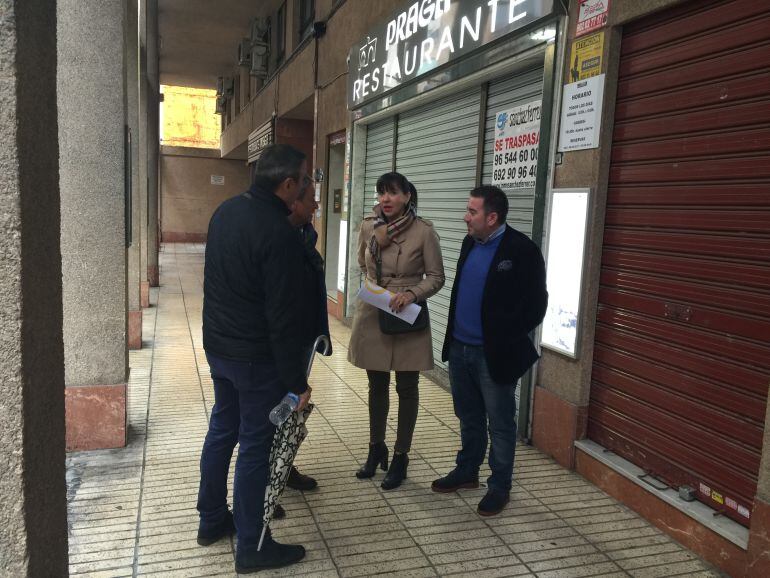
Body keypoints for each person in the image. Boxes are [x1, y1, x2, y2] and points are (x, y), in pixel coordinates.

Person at [196, 144, 316, 573]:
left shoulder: (225, 212)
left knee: (222, 429)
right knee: (255, 447)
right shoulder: (277, 232)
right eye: (305, 180)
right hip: (255, 360)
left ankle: (211, 519)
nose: (308, 186)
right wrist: (295, 384)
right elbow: (282, 320)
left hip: (220, 349)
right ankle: (253, 546)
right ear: (287, 185)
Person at [432, 185, 547, 516]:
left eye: (472, 211)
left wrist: (506, 337)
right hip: (460, 348)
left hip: (493, 354)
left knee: (500, 422)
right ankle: (467, 471)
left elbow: (537, 306)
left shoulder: (521, 250)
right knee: (468, 416)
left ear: (492, 217)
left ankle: (499, 486)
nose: (465, 217)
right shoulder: (471, 243)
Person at [348, 172, 445, 490]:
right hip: (376, 308)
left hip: (407, 313)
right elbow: (362, 262)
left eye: (392, 193)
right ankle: (376, 448)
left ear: (407, 196)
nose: (385, 199)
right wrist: (378, 289)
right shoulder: (367, 226)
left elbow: (436, 276)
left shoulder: (424, 231)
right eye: (381, 193)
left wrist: (412, 293)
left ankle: (401, 455)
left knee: (407, 386)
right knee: (376, 385)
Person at [284, 176, 333, 492]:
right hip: (281, 340)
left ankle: (284, 467)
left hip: (302, 336)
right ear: (292, 201)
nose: (317, 205)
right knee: (276, 410)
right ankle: (262, 490)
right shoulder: (278, 238)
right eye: (312, 198)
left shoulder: (304, 234)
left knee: (290, 412)